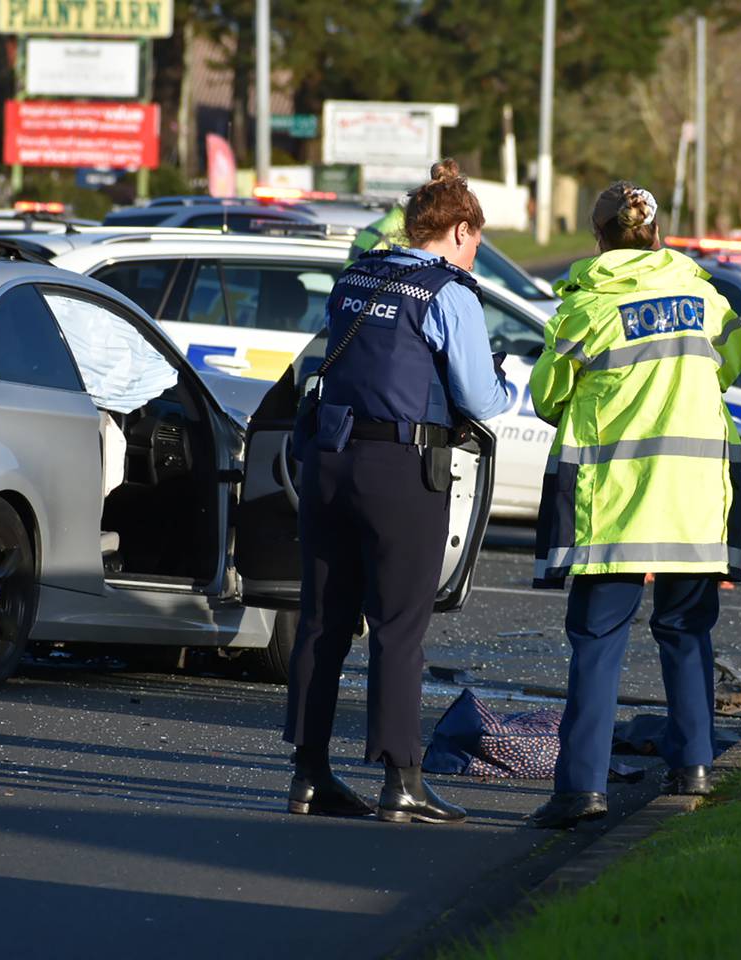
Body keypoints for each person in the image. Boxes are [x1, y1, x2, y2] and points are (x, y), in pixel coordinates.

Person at [283, 159, 513, 824]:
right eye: (475, 241)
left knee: (323, 621)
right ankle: (402, 780)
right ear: (461, 230)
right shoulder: (449, 294)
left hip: (329, 459)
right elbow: (478, 397)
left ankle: (308, 774)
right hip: (401, 470)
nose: (476, 256)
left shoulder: (357, 274)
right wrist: (502, 387)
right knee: (397, 629)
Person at [525, 181, 741, 830]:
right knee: (686, 632)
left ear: (599, 238)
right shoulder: (706, 299)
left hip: (615, 505)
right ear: (657, 235)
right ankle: (694, 766)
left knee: (597, 642)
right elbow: (728, 365)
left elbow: (546, 398)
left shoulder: (586, 310)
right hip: (694, 500)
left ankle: (580, 791)